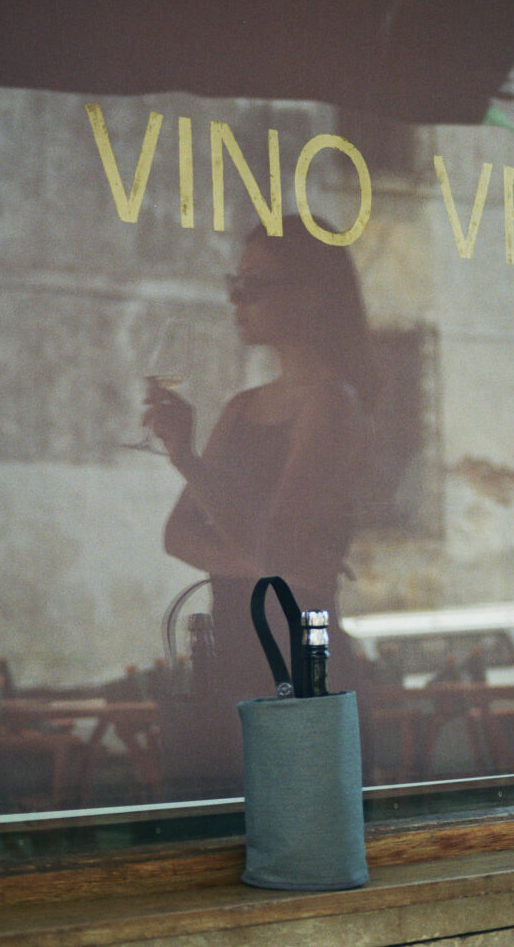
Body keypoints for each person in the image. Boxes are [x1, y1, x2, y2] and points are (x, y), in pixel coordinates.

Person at [144, 215, 379, 696]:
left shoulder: (331, 403)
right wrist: (278, 567)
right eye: (236, 282)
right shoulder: (242, 408)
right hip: (235, 657)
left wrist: (188, 459)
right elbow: (177, 535)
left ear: (310, 294)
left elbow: (272, 546)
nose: (235, 298)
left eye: (253, 284)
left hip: (303, 659)